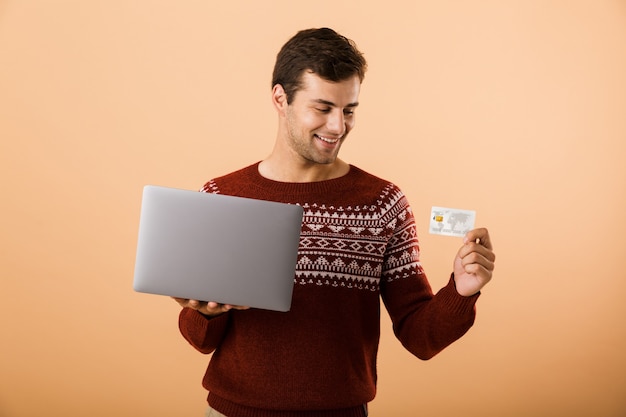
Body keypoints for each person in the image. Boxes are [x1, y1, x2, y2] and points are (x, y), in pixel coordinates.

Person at [174, 27, 496, 417]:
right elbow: (201, 340)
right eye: (323, 108)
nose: (337, 126)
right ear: (280, 99)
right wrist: (205, 312)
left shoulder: (382, 204)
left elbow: (419, 337)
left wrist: (460, 293)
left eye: (349, 110)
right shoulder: (222, 196)